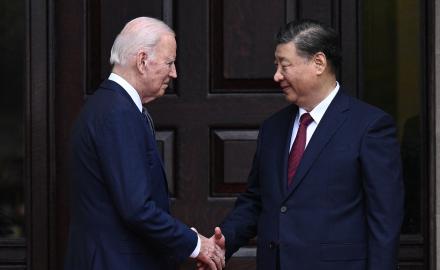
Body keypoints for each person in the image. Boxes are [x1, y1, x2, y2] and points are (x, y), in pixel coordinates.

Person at [203, 19, 404, 270]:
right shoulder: (273, 128)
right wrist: (223, 243)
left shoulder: (369, 126)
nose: (276, 75)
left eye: (284, 65)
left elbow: (384, 219)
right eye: (276, 65)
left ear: (318, 63)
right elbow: (256, 200)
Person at [64, 17, 224, 270]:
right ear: (142, 61)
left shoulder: (110, 106)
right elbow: (136, 209)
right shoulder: (118, 113)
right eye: (169, 63)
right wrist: (196, 244)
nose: (174, 73)